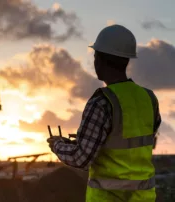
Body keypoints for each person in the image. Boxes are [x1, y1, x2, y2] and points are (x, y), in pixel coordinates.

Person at [47, 24, 161, 202]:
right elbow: (129, 141)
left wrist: (57, 145)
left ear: (99, 59)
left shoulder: (102, 102)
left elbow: (81, 159)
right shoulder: (149, 98)